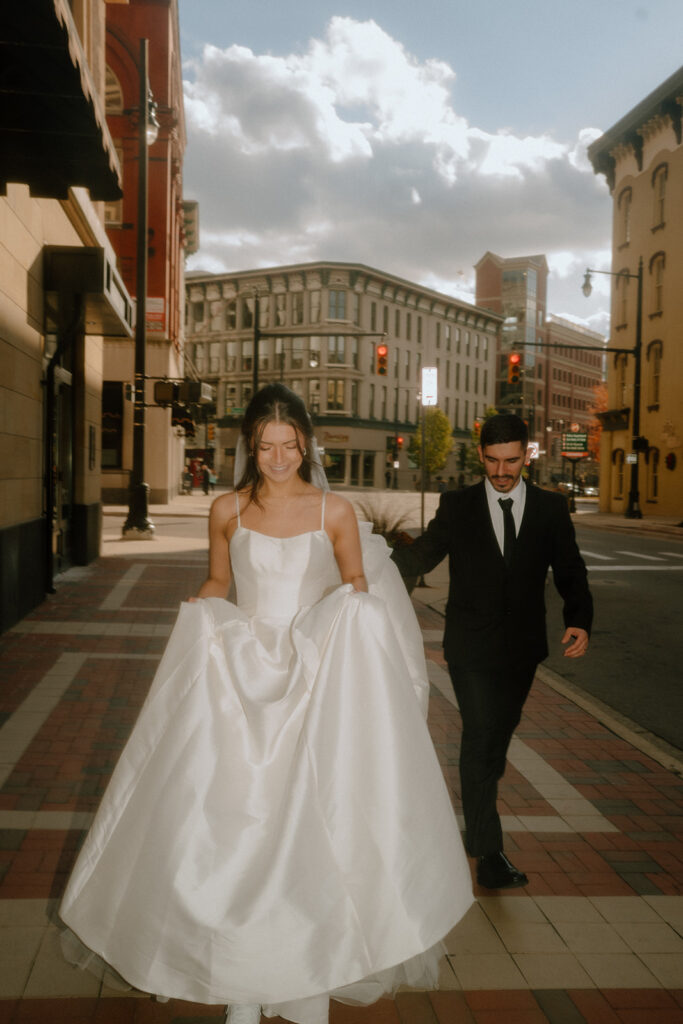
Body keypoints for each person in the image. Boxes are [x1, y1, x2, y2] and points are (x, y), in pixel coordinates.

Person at [59, 384, 473, 1024]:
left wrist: (353, 621)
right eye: (265, 446)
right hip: (241, 675)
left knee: (307, 822)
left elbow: (355, 587)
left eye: (288, 445)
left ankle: (304, 981)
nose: (278, 457)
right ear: (250, 448)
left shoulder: (334, 513)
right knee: (235, 820)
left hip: (313, 677)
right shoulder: (227, 508)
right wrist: (204, 607)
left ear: (305, 444)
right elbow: (222, 579)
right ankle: (241, 985)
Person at [391, 414, 593, 891]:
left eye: (512, 461)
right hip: (470, 647)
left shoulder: (550, 508)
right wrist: (368, 565)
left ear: (528, 455)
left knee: (496, 738)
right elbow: (424, 553)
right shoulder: (458, 505)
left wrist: (579, 619)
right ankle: (487, 850)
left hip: (523, 649)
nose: (502, 471)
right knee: (480, 736)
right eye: (493, 461)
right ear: (481, 455)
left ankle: (478, 811)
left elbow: (570, 570)